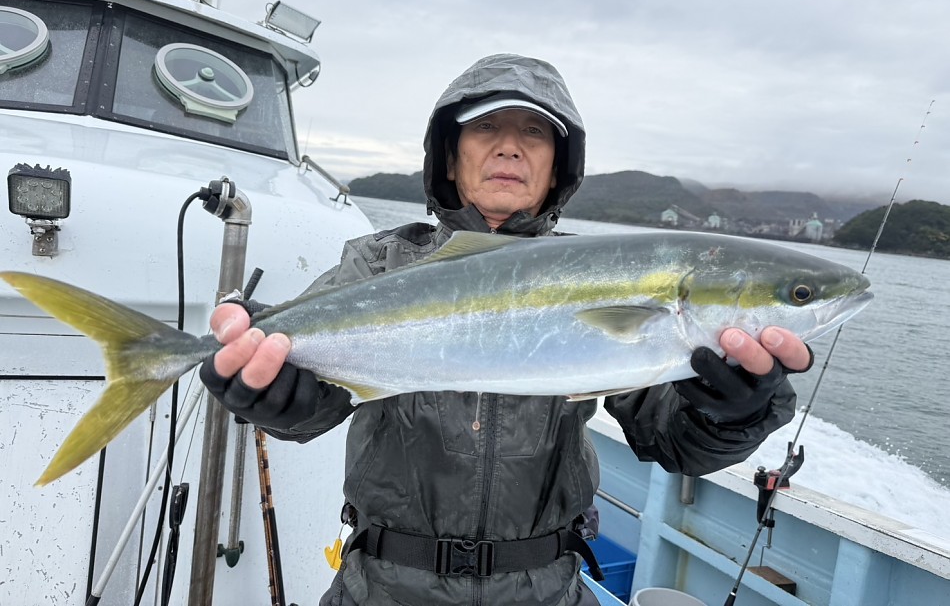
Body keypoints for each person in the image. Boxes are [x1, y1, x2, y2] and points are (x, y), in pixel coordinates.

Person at [200, 53, 812, 606]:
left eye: (535, 133)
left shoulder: (605, 275)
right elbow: (313, 407)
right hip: (383, 587)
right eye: (487, 127)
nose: (510, 148)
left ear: (557, 168)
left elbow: (676, 445)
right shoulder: (378, 263)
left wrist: (735, 411)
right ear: (450, 155)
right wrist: (269, 398)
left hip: (546, 588)